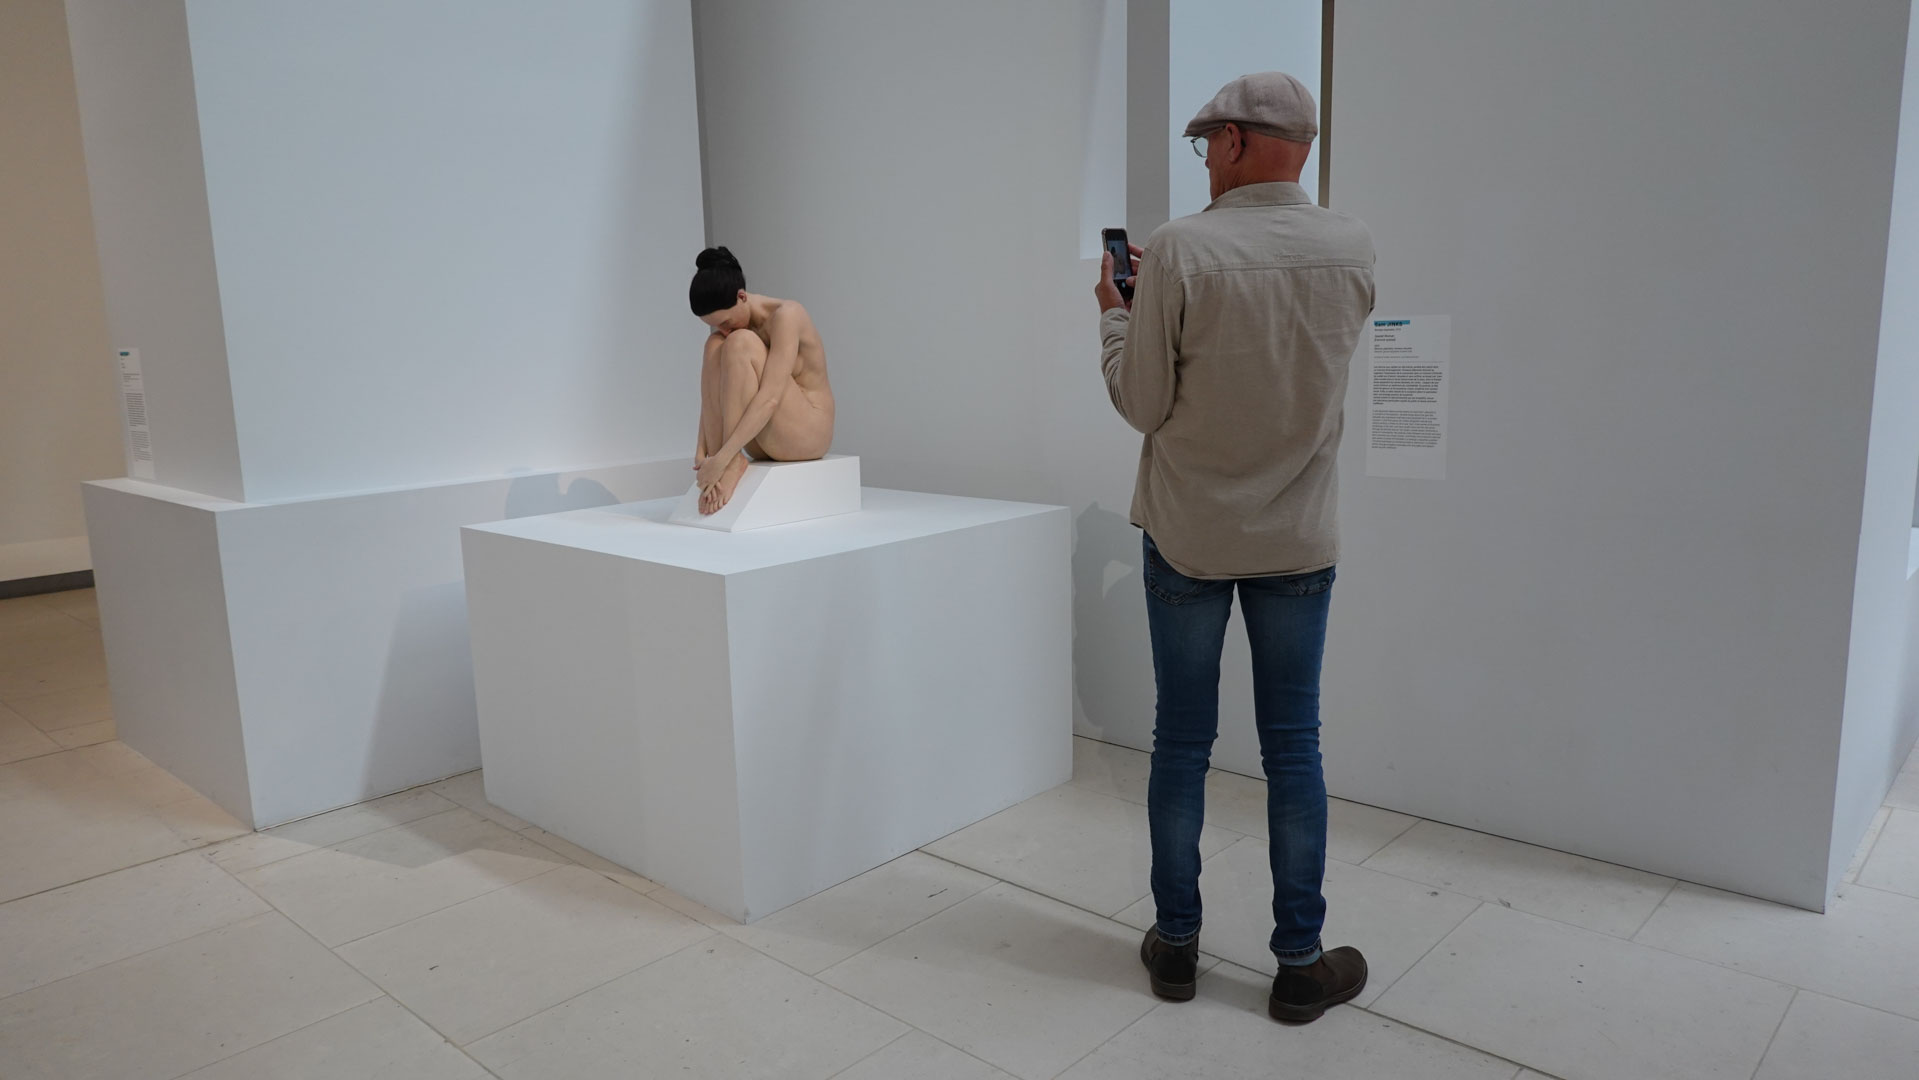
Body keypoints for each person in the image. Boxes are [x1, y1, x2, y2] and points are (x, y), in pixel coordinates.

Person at [1094, 71, 1376, 1024]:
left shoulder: (1180, 249)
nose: (1204, 158)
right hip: (1297, 536)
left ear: (1238, 141)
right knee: (1293, 746)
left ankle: (1176, 947)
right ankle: (1298, 963)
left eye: (1206, 141)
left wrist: (1115, 314)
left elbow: (1142, 404)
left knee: (1182, 742)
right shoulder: (1351, 244)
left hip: (1190, 535)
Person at [687, 247, 836, 515]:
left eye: (725, 322)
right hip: (764, 436)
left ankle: (731, 462)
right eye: (716, 324)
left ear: (742, 296)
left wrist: (724, 459)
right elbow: (713, 394)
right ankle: (723, 461)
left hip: (808, 433)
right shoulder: (727, 333)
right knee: (714, 345)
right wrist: (703, 451)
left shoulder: (786, 315)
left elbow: (770, 398)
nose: (724, 329)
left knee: (739, 342)